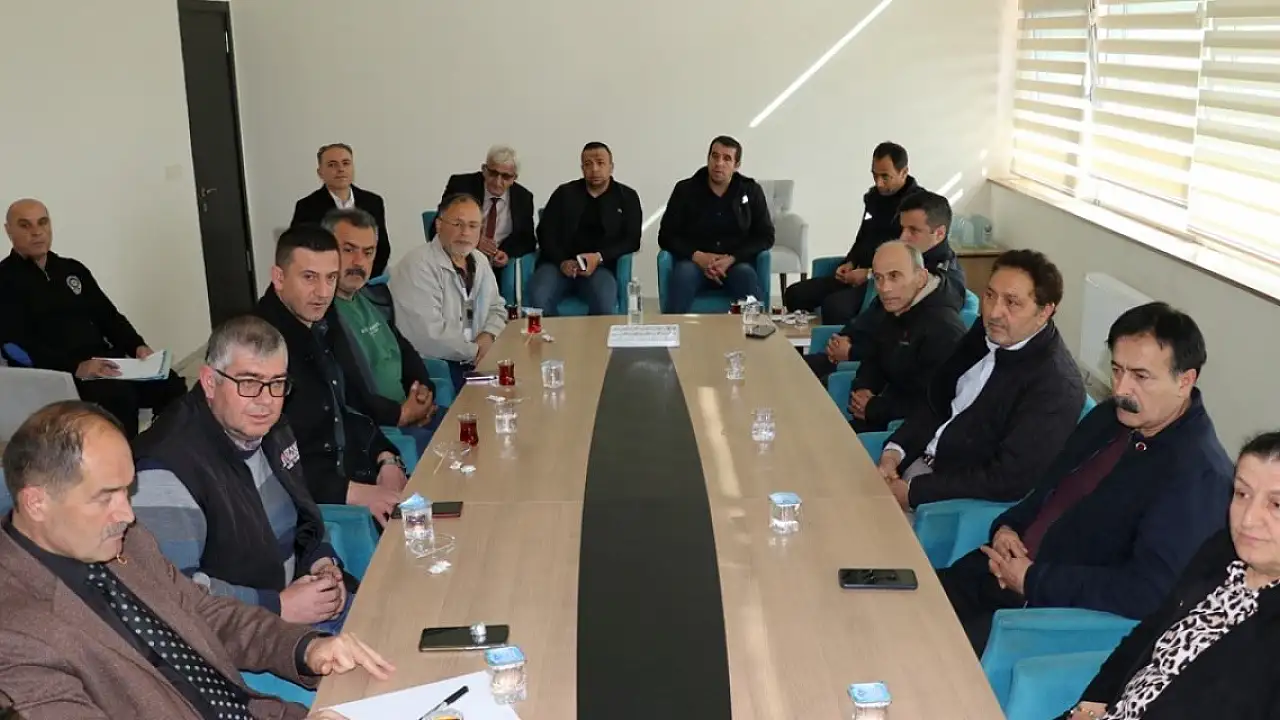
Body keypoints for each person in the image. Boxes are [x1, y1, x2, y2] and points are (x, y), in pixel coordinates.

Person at [0, 400, 391, 719]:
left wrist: (307, 649)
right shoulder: (14, 634)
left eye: (127, 491)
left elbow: (207, 615)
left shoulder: (127, 543)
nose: (128, 514)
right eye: (105, 497)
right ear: (37, 503)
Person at [940, 302, 1232, 655]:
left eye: (1140, 377)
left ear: (1185, 381)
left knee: (929, 655)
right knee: (903, 603)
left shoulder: (1198, 475)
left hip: (1044, 614)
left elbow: (1149, 590)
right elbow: (1047, 492)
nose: (1122, 389)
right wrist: (1007, 528)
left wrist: (1033, 580)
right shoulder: (1110, 419)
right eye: (1117, 370)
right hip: (999, 570)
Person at [131, 316, 355, 634]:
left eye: (277, 383)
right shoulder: (165, 468)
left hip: (296, 601)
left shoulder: (271, 428)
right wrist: (278, 606)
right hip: (243, 634)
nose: (266, 401)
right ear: (210, 382)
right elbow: (176, 595)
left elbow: (302, 518)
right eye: (249, 383)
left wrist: (321, 563)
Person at [1064, 431, 1276, 720]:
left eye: (1276, 505)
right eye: (1242, 494)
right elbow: (1148, 634)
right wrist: (1091, 704)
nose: (1248, 519)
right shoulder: (1220, 553)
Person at [878, 249, 1084, 510]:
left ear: (1044, 312)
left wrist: (914, 492)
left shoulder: (1056, 386)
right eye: (990, 295)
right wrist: (894, 451)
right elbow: (937, 400)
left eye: (1012, 302)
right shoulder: (986, 332)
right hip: (913, 464)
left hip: (947, 502)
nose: (994, 312)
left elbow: (1007, 479)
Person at [255, 225, 407, 526]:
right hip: (318, 509)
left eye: (331, 278)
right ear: (279, 277)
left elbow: (348, 408)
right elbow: (271, 461)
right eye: (309, 277)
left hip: (356, 477)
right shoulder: (259, 349)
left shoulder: (320, 323)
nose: (323, 292)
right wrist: (359, 494)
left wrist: (386, 457)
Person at [0, 198, 187, 439]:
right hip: (59, 374)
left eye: (42, 223)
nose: (36, 232)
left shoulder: (71, 270)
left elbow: (108, 316)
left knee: (171, 384)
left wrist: (137, 346)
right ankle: (122, 458)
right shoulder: (5, 280)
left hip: (103, 362)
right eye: (25, 225)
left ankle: (161, 449)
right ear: (8, 230)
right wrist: (76, 367)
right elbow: (14, 346)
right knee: (120, 397)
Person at [806, 191, 966, 382]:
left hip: (872, 369)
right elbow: (875, 312)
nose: (903, 237)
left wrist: (853, 350)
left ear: (939, 233)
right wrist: (845, 337)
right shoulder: (903, 261)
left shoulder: (942, 285)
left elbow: (900, 340)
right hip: (857, 352)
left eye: (913, 230)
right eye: (902, 228)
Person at [323, 208, 441, 453]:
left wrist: (423, 393)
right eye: (349, 250)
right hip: (379, 431)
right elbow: (347, 394)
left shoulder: (373, 297)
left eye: (368, 252)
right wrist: (401, 414)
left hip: (408, 414)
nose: (359, 262)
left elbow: (404, 351)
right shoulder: (321, 314)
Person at [783, 142, 923, 324]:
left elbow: (912, 257)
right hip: (856, 273)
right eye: (874, 175)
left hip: (882, 281)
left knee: (834, 307)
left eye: (885, 177)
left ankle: (843, 342)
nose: (878, 183)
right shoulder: (874, 198)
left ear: (904, 172)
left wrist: (869, 273)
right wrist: (850, 261)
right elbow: (863, 236)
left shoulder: (918, 206)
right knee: (794, 294)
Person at [390, 194, 507, 393]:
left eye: (473, 226)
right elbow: (428, 337)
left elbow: (497, 307)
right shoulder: (418, 265)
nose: (465, 232)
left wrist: (488, 335)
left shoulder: (479, 260)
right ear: (439, 225)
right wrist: (477, 350)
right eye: (457, 224)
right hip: (437, 365)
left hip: (474, 356)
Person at [846, 242, 966, 433]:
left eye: (894, 276)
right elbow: (874, 358)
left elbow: (935, 404)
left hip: (907, 433)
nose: (884, 288)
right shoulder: (897, 306)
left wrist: (875, 408)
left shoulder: (945, 331)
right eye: (878, 278)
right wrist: (863, 387)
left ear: (920, 278)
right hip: (880, 414)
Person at [657, 135, 776, 313]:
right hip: (694, 263)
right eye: (715, 156)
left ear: (736, 165)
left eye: (727, 158)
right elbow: (666, 236)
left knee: (746, 277)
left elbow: (766, 236)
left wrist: (732, 258)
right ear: (708, 158)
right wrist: (698, 256)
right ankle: (673, 328)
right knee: (683, 275)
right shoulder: (685, 189)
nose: (719, 163)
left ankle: (755, 327)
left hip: (734, 264)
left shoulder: (751, 190)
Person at [526, 142, 642, 316]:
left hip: (600, 268)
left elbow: (632, 240)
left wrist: (598, 257)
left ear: (611, 167)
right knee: (539, 297)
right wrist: (562, 261)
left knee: (604, 300)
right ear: (582, 168)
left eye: (600, 163)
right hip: (558, 266)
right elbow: (544, 233)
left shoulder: (627, 197)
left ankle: (595, 335)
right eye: (588, 164)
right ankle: (553, 334)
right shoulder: (564, 193)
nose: (594, 169)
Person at [434, 145, 537, 291]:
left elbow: (527, 239)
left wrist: (506, 253)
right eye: (493, 173)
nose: (498, 181)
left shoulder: (523, 197)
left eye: (506, 177)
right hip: (459, 256)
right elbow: (437, 227)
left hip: (496, 267)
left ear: (514, 178)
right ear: (484, 170)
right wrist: (474, 240)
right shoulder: (461, 185)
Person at [290, 143, 392, 277]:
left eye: (346, 163)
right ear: (320, 172)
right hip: (327, 279)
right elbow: (301, 251)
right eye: (332, 165)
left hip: (366, 278)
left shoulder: (373, 202)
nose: (341, 169)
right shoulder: (307, 206)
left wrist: (365, 278)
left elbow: (383, 248)